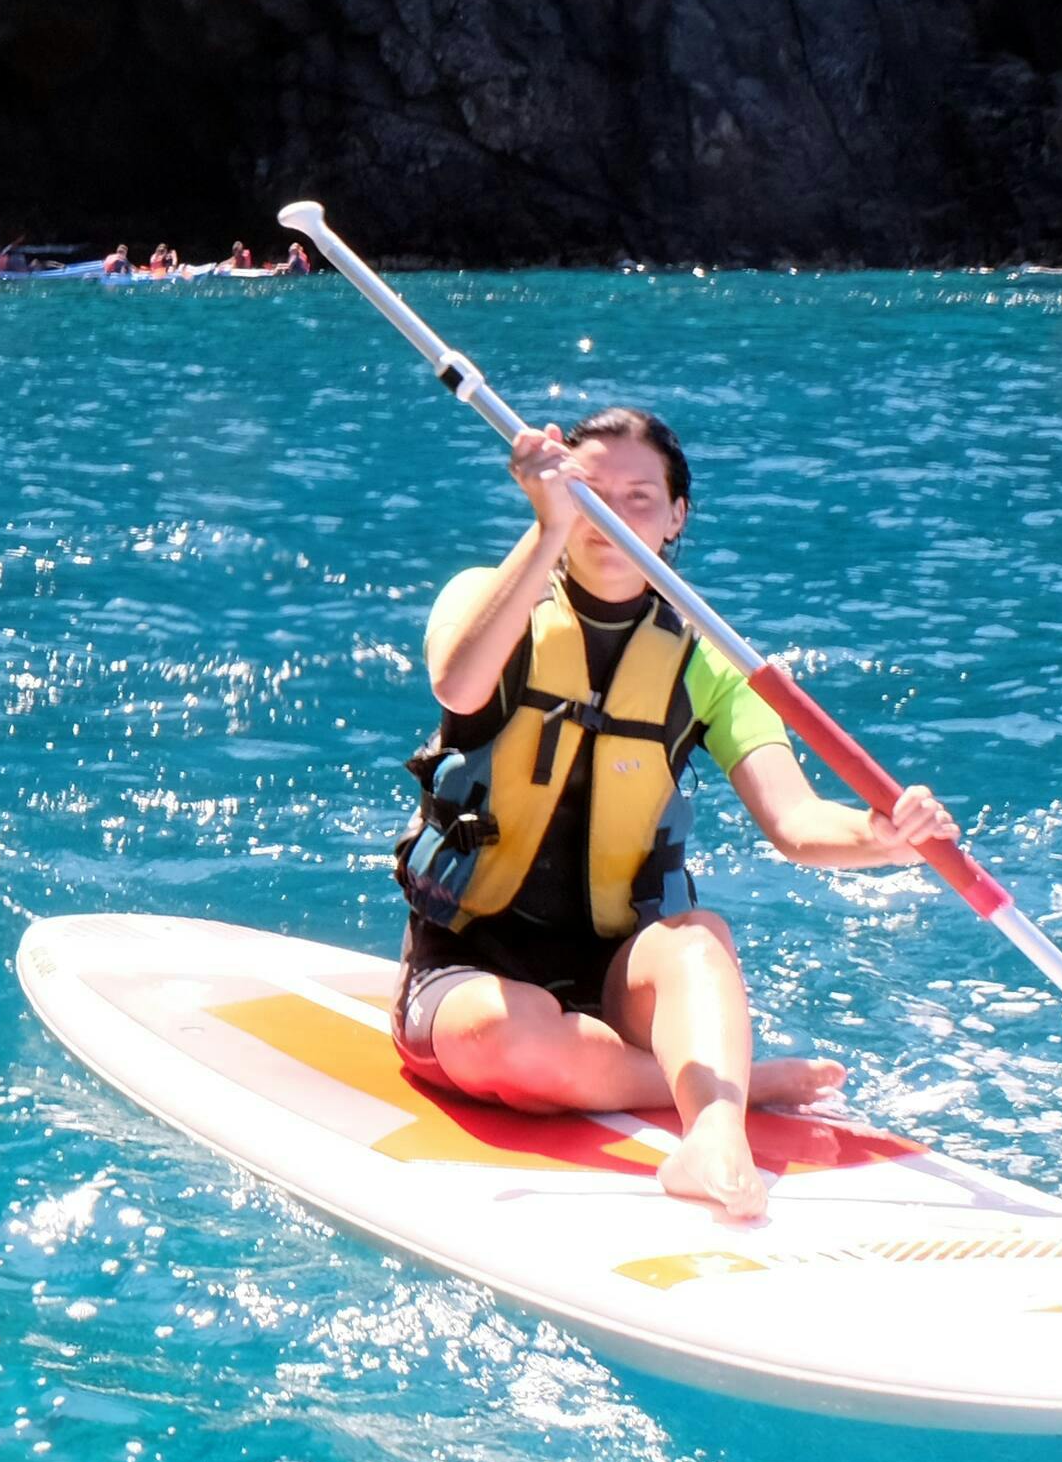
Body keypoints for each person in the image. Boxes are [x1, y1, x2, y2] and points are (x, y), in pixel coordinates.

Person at [394, 406, 960, 1219]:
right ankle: (726, 1074)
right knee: (505, 1033)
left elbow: (798, 823)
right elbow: (459, 685)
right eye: (592, 494)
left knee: (698, 941)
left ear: (676, 516)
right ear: (553, 496)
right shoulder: (488, 597)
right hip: (467, 968)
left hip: (620, 980)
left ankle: (716, 1133)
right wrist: (548, 529)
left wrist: (886, 835)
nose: (614, 518)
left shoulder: (709, 660)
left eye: (642, 498)